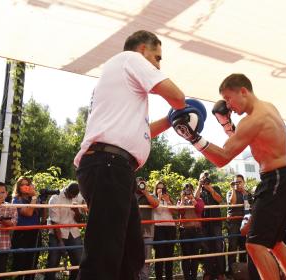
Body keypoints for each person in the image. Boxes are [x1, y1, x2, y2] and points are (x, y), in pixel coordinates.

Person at [73, 29, 186, 280]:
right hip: (109, 165)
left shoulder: (122, 83)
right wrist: (183, 110)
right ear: (143, 50)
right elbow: (178, 98)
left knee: (131, 251)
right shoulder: (130, 59)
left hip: (112, 166)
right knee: (105, 253)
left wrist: (170, 121)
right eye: (157, 57)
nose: (158, 64)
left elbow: (142, 131)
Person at [172, 74, 286, 280]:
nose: (227, 105)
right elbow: (247, 141)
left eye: (228, 98)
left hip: (275, 180)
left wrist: (193, 138)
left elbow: (223, 158)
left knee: (254, 244)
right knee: (275, 243)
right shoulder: (267, 108)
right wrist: (226, 125)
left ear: (243, 91)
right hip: (282, 178)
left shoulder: (252, 120)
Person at [45, 182, 84, 280]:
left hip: (73, 232)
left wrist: (76, 211)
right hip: (57, 232)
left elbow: (80, 220)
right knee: (53, 262)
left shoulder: (78, 197)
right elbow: (55, 223)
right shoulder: (55, 198)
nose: (72, 197)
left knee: (79, 262)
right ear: (66, 190)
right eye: (70, 195)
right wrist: (60, 241)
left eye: (74, 196)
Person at [11, 176, 45, 280]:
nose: (25, 186)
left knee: (32, 263)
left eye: (27, 184)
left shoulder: (34, 198)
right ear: (18, 187)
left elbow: (43, 218)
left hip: (35, 233)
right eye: (22, 184)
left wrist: (41, 201)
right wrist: (34, 197)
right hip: (21, 233)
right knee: (20, 263)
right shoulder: (16, 199)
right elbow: (28, 213)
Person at [195, 172, 225, 280]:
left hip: (216, 222)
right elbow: (195, 199)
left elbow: (220, 200)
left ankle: (220, 272)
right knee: (206, 248)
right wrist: (199, 186)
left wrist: (211, 189)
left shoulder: (215, 187)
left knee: (218, 246)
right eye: (202, 179)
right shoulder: (200, 190)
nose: (205, 180)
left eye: (206, 178)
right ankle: (208, 272)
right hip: (204, 223)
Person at [225, 174, 252, 277]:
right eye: (235, 182)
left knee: (243, 246)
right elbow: (232, 202)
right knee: (232, 245)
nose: (237, 184)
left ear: (243, 182)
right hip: (233, 222)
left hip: (245, 221)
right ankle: (231, 271)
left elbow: (251, 206)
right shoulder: (230, 192)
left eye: (239, 182)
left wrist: (244, 192)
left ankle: (242, 270)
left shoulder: (247, 194)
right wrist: (233, 189)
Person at [177, 183, 205, 280]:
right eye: (186, 189)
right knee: (185, 255)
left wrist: (192, 199)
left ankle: (193, 277)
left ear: (193, 191)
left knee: (195, 256)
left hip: (196, 230)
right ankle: (186, 278)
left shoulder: (198, 200)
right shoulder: (180, 201)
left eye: (190, 190)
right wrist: (182, 199)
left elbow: (200, 209)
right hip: (185, 230)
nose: (188, 191)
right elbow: (180, 211)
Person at [135, 177, 159, 280]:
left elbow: (155, 204)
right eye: (138, 183)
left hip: (147, 233)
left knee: (146, 260)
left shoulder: (150, 195)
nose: (140, 185)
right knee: (133, 258)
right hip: (133, 233)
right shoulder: (130, 195)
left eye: (142, 183)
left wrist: (146, 193)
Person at [152, 181, 176, 280]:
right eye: (159, 188)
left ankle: (169, 277)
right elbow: (158, 210)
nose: (161, 190)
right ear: (156, 189)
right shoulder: (153, 197)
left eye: (163, 188)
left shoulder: (168, 198)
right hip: (159, 227)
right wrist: (159, 197)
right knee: (159, 254)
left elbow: (174, 212)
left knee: (169, 255)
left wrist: (168, 201)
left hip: (170, 227)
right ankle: (159, 278)